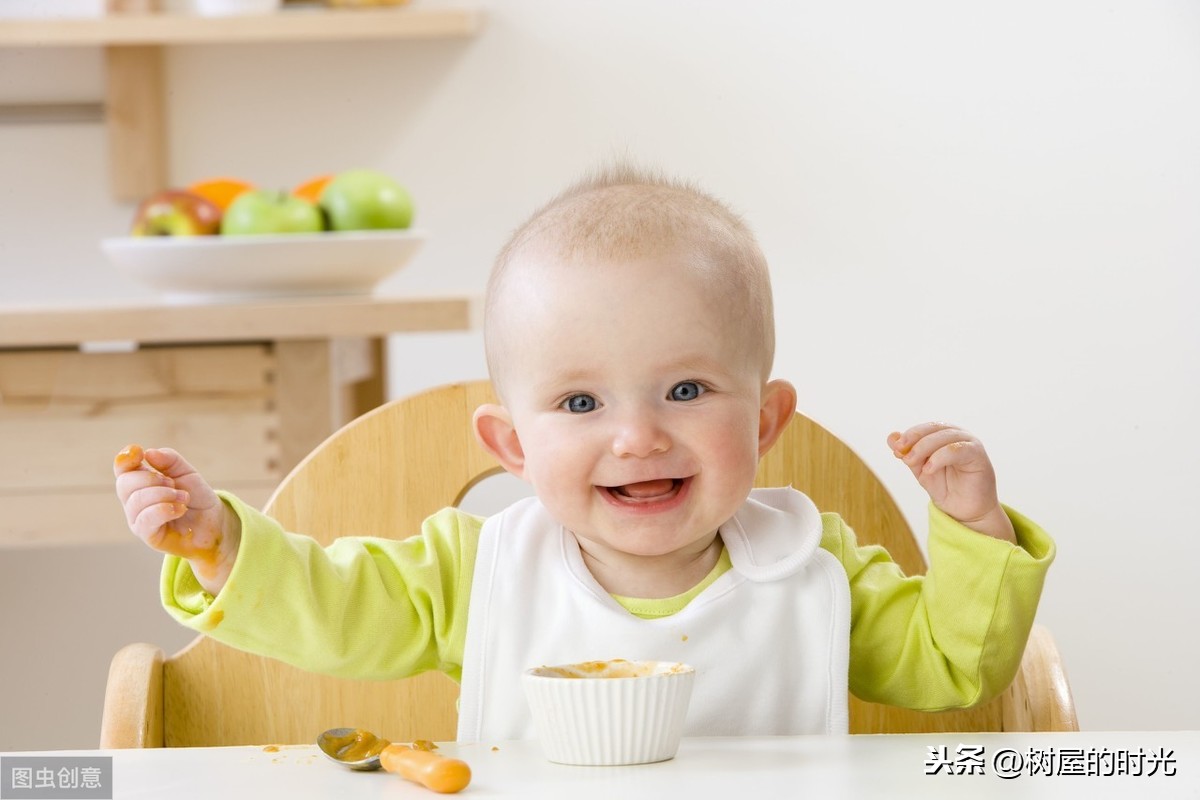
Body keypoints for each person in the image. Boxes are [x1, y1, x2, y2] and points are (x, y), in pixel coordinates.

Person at [114, 164, 1054, 739]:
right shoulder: (476, 574)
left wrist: (973, 528)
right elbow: (334, 607)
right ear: (512, 446)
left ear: (765, 423)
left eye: (686, 390)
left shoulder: (814, 572)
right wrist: (221, 546)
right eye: (579, 401)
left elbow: (953, 665)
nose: (638, 436)